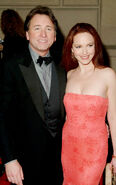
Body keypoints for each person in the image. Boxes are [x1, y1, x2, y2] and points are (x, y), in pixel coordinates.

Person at [0, 5, 66, 185]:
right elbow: (1, 116)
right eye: (37, 28)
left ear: (55, 36)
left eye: (48, 29)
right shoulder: (10, 66)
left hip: (59, 164)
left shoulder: (65, 67)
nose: (43, 34)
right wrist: (9, 159)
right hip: (23, 163)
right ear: (27, 34)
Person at [61, 23, 116, 185]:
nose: (85, 52)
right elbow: (67, 116)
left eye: (89, 45)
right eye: (78, 46)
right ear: (71, 49)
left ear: (96, 46)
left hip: (95, 148)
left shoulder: (107, 75)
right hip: (69, 145)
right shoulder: (69, 75)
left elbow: (113, 117)